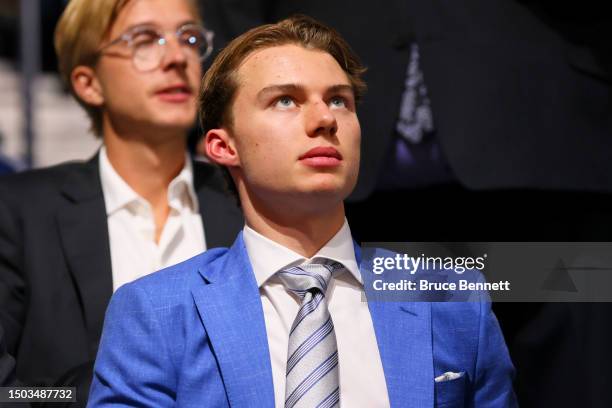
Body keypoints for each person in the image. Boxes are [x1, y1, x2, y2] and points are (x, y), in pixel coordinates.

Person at [88, 16, 516, 407]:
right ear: (224, 146)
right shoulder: (155, 311)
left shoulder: (451, 299)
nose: (324, 119)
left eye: (339, 101)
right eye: (285, 101)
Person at [0, 0, 242, 395]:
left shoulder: (250, 200)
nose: (177, 57)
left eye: (190, 37)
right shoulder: (18, 212)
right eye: (145, 40)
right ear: (88, 83)